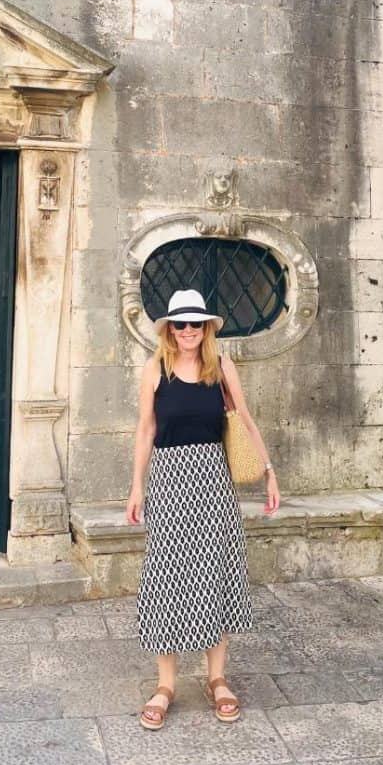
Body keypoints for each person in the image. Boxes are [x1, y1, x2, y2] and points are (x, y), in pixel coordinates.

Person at [126, 288, 280, 731]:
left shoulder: (221, 367)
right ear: (170, 329)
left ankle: (217, 677)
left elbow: (245, 420)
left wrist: (269, 470)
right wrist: (136, 487)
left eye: (196, 323)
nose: (189, 330)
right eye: (180, 323)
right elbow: (145, 430)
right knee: (167, 574)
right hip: (170, 480)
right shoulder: (155, 369)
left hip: (213, 480)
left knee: (216, 569)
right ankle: (166, 684)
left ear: (207, 327)